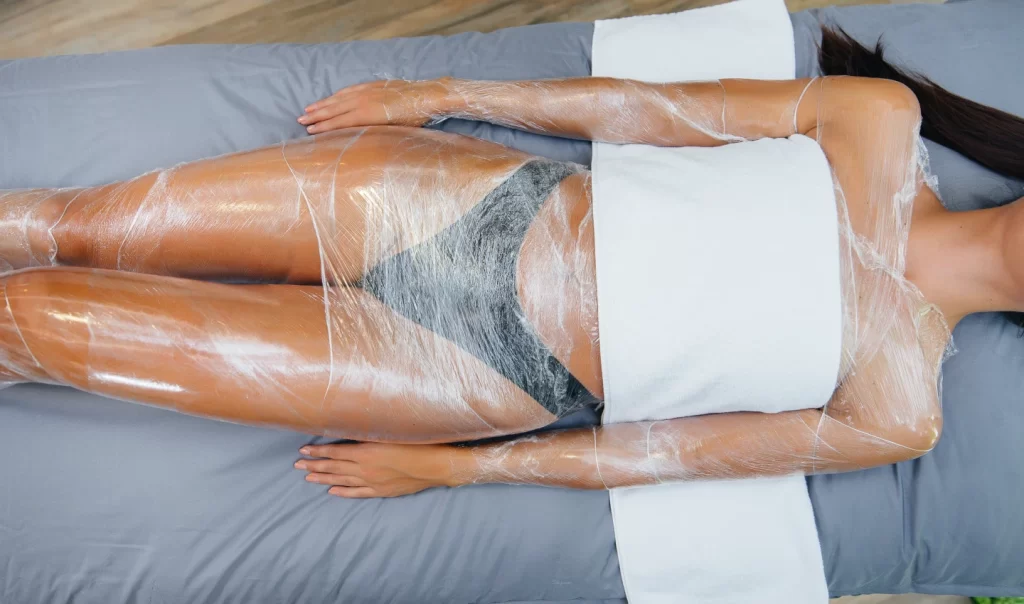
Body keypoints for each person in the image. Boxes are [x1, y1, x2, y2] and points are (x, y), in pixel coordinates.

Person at [0, 29, 1019, 498]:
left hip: (473, 370)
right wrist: (432, 93)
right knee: (79, 227)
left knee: (34, 322)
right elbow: (648, 111)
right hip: (465, 203)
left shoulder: (896, 410)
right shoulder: (878, 124)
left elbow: (655, 455)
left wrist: (446, 472)